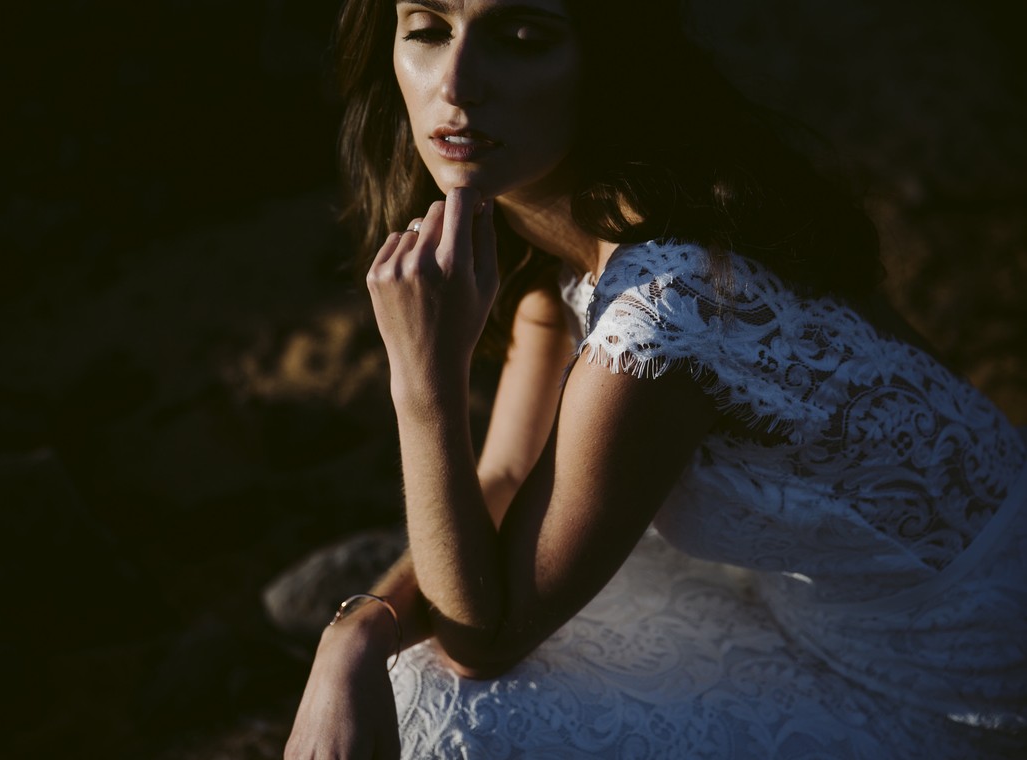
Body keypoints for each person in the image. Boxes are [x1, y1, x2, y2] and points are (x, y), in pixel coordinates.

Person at [285, 0, 1027, 757]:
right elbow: (504, 474)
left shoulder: (667, 305)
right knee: (402, 664)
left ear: (606, 64)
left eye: (521, 40)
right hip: (810, 619)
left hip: (956, 689)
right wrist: (355, 628)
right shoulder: (586, 231)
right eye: (427, 30)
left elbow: (485, 640)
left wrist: (423, 380)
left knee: (441, 712)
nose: (457, 84)